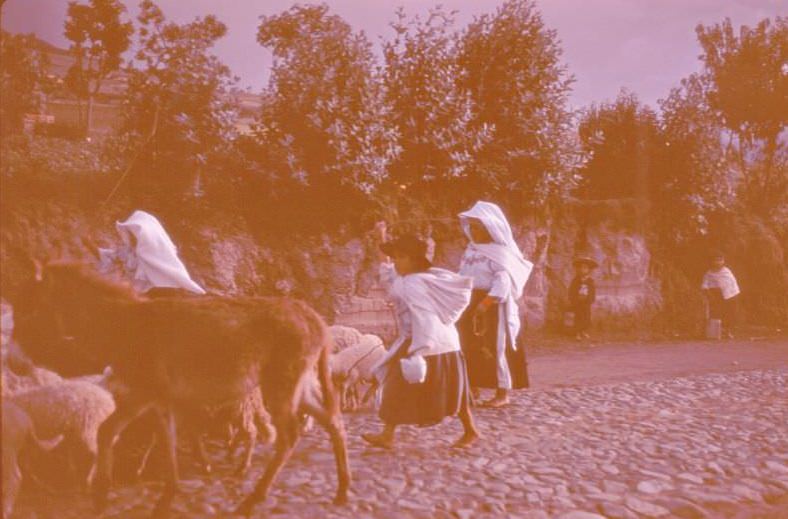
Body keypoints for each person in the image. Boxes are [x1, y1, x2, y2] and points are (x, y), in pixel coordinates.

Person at [362, 223, 481, 449]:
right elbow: (388, 273)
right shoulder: (412, 278)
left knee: (440, 388)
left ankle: (471, 430)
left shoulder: (415, 284)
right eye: (395, 257)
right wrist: (381, 236)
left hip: (429, 342)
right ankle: (388, 434)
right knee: (403, 386)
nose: (395, 262)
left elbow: (423, 316)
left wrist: (419, 350)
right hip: (435, 340)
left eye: (400, 257)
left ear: (413, 260)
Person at [457, 201, 533, 408]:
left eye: (478, 227)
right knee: (469, 344)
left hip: (493, 305)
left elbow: (504, 282)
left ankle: (502, 392)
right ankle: (473, 386)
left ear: (491, 228)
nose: (473, 231)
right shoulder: (471, 250)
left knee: (495, 346)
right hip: (470, 301)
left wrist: (486, 303)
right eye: (471, 226)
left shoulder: (500, 253)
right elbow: (463, 274)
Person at [98, 210, 206, 295]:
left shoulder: (148, 264)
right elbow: (110, 256)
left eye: (133, 235)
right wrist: (87, 244)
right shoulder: (129, 250)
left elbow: (133, 290)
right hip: (119, 290)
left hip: (135, 301)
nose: (130, 237)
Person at [701, 251, 740, 339]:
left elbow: (731, 283)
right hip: (716, 295)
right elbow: (704, 284)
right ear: (712, 261)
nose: (718, 262)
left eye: (720, 260)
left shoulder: (727, 271)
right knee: (717, 313)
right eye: (716, 260)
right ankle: (717, 331)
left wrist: (730, 294)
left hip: (730, 295)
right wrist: (709, 293)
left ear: (723, 261)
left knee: (730, 313)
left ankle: (729, 331)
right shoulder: (709, 273)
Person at [568, 256, 598, 340]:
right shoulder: (576, 280)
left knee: (586, 316)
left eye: (585, 268)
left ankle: (583, 331)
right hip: (578, 301)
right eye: (581, 268)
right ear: (579, 269)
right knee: (578, 316)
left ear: (589, 270)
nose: (583, 270)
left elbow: (592, 291)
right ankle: (577, 332)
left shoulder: (590, 281)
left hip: (586, 302)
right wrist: (573, 299)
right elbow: (572, 290)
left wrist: (591, 299)